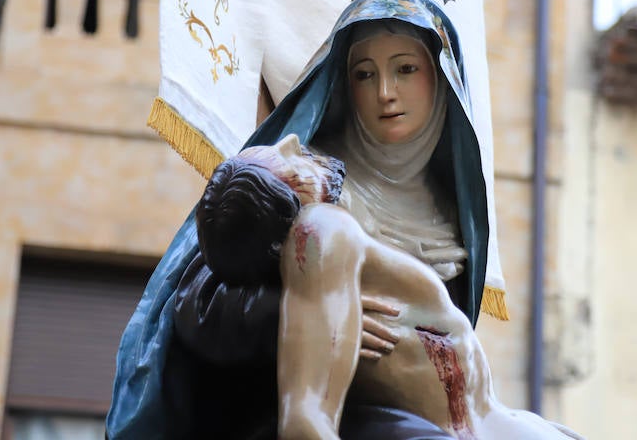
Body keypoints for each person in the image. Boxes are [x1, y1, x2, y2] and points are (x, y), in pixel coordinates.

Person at [106, 0, 493, 439]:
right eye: (364, 74)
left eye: (405, 69)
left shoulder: (454, 208)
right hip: (327, 410)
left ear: (442, 78)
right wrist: (307, 320)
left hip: (430, 404)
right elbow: (200, 299)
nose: (385, 92)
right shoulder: (305, 177)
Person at [197, 137, 582, 440]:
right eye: (285, 158)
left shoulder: (328, 262)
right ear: (289, 191)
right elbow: (304, 422)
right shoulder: (319, 230)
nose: (295, 141)